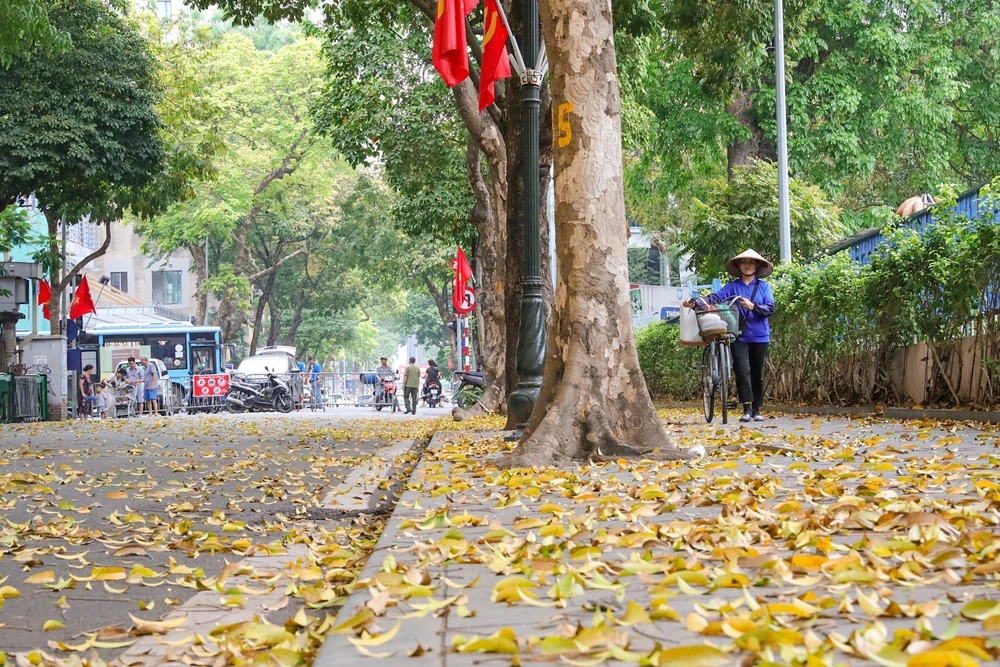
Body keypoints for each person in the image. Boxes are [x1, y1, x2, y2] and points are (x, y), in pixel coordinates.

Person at [683, 249, 776, 422]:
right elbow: (715, 298)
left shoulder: (764, 287)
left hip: (760, 335)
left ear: (757, 266)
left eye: (751, 262)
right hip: (738, 335)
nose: (747, 265)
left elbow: (770, 308)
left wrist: (753, 306)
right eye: (744, 262)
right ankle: (746, 408)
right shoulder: (732, 286)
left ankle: (757, 409)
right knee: (741, 369)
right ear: (739, 266)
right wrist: (695, 302)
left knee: (757, 374)